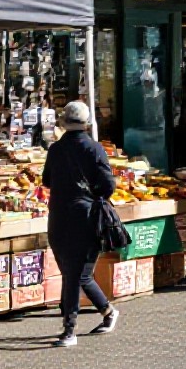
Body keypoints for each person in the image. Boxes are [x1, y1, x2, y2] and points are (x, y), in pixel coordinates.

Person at [41, 101, 119, 347]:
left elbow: (47, 180)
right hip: (87, 218)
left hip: (59, 217)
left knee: (72, 273)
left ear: (64, 122)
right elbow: (108, 186)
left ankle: (70, 328)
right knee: (79, 274)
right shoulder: (94, 149)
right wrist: (92, 196)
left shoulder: (55, 149)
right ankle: (104, 313)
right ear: (86, 122)